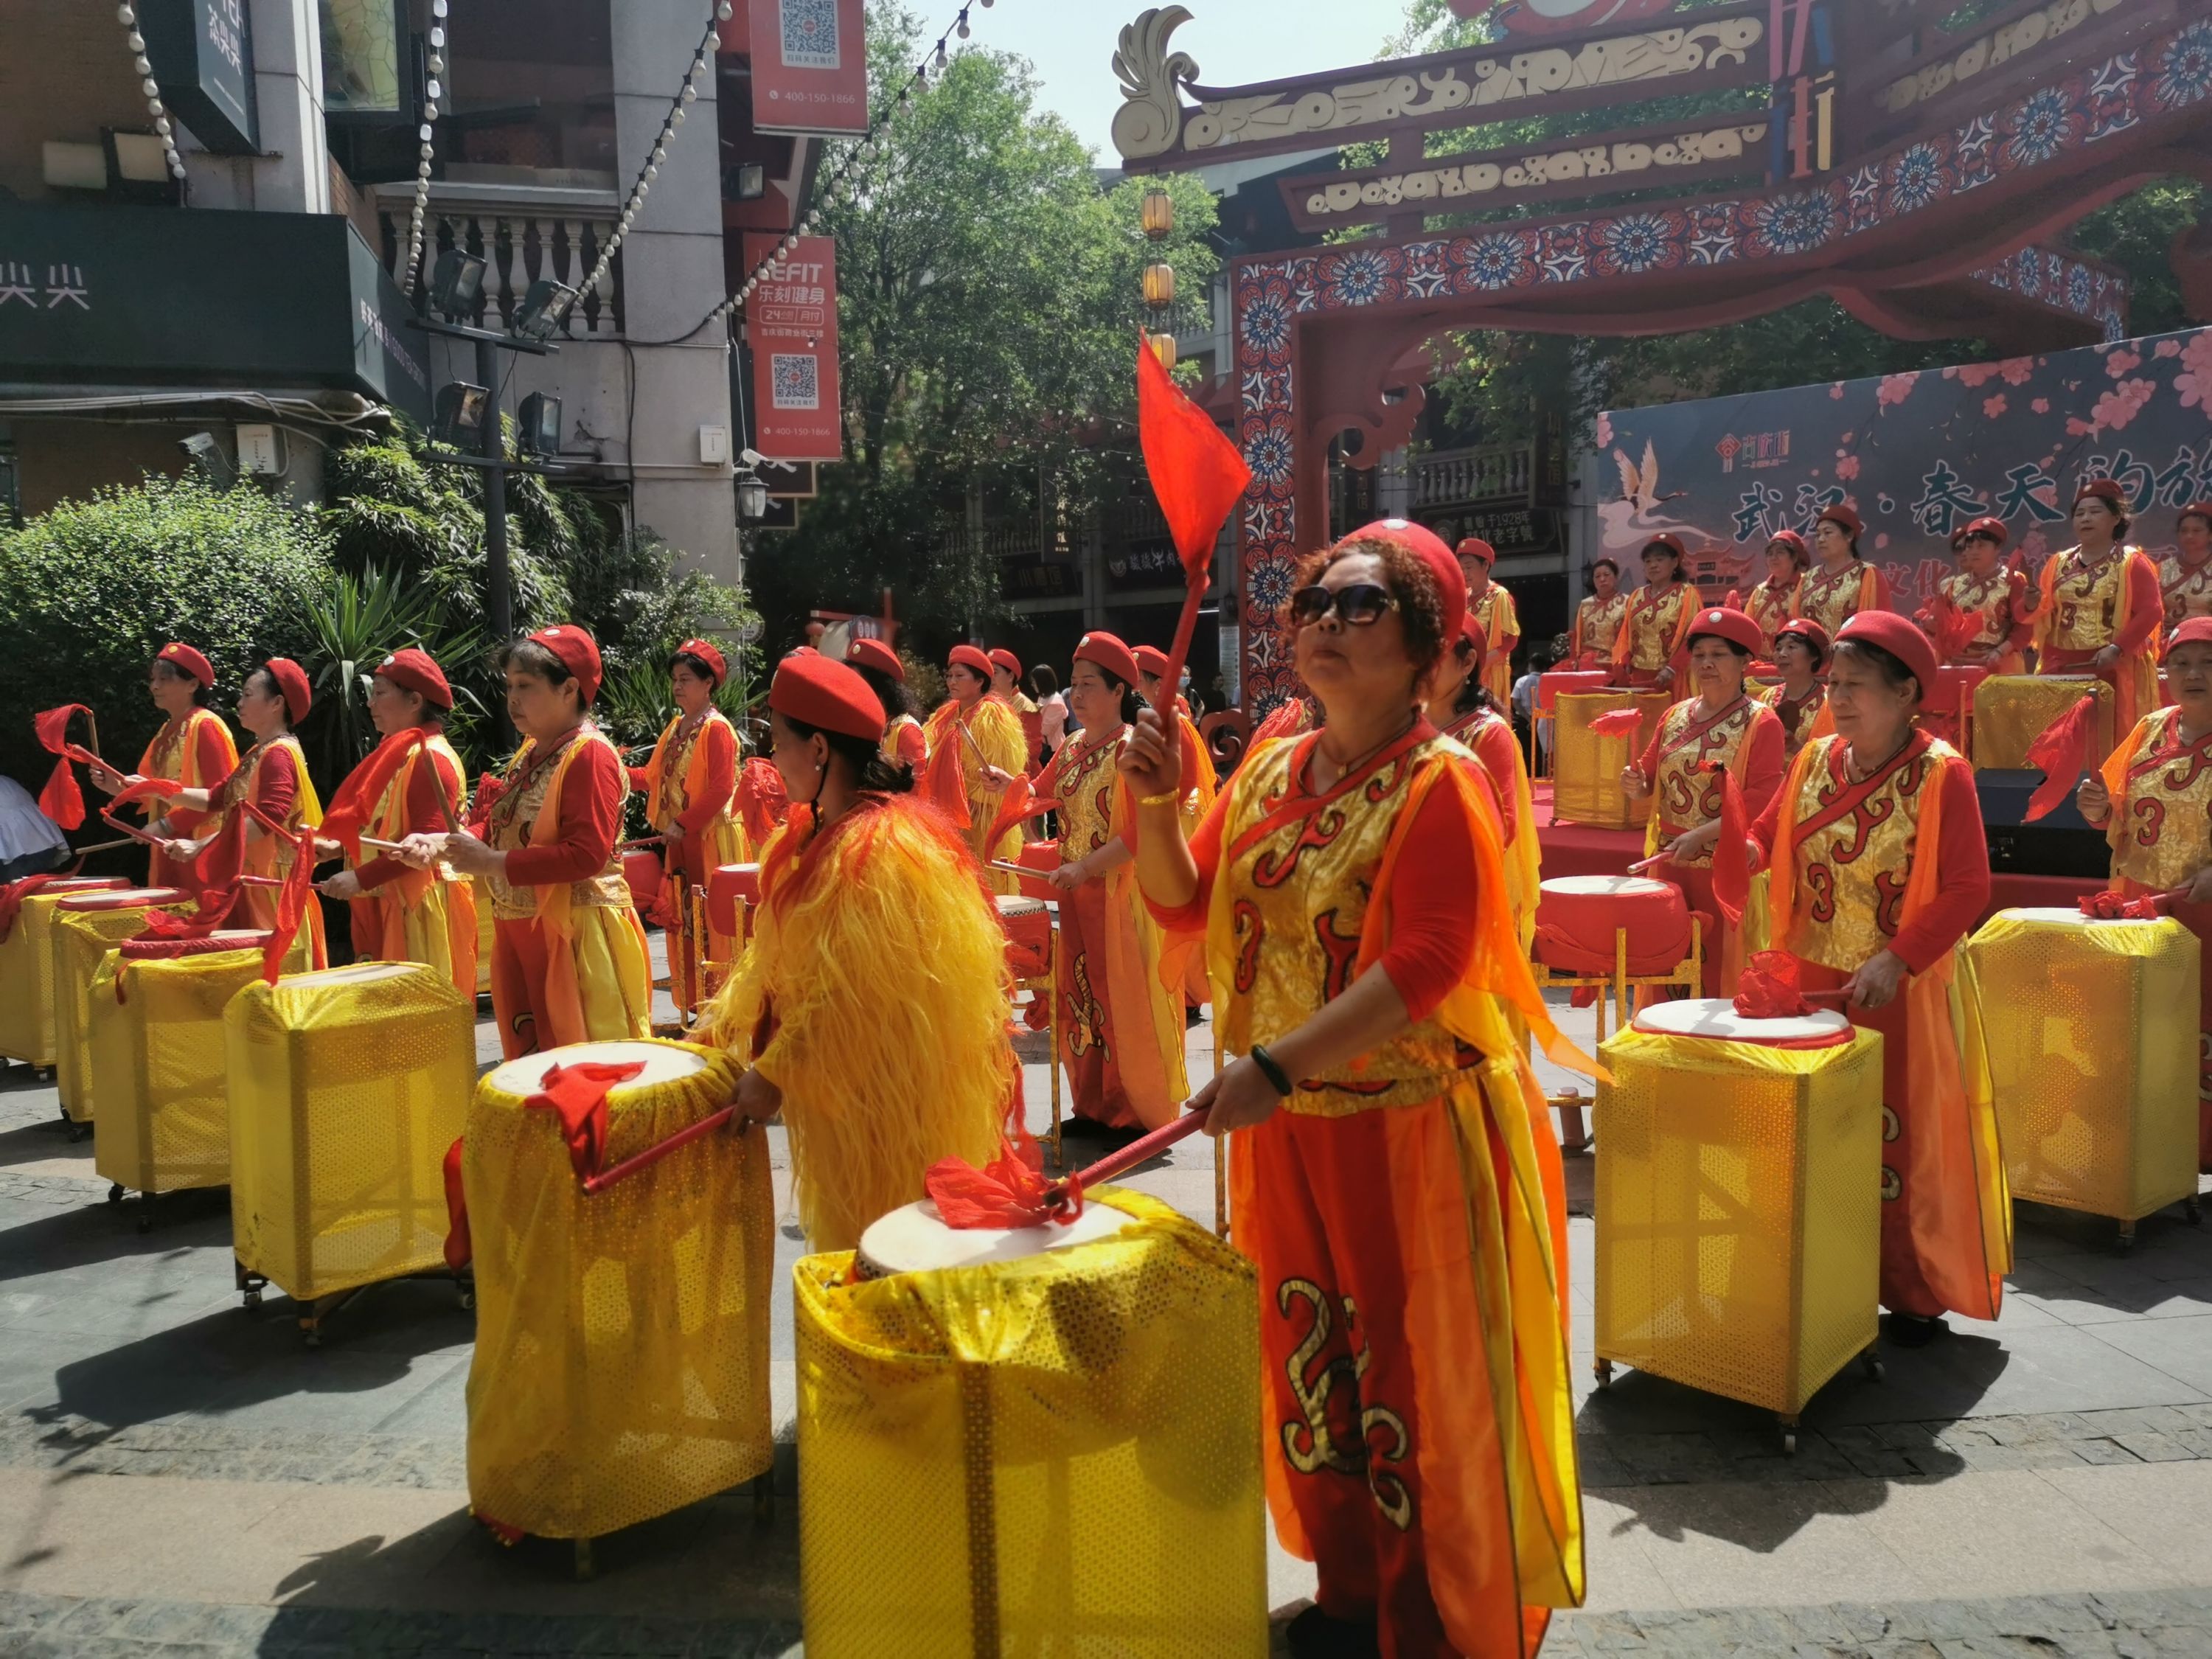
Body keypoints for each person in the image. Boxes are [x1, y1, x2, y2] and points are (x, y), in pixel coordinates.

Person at [1124, 518, 1583, 1659]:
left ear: (1427, 648)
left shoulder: (1442, 781)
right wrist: (1154, 805)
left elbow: (1427, 962)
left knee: (1415, 1381)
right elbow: (1183, 900)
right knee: (1312, 1361)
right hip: (1291, 1128)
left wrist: (1277, 1063)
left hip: (1409, 1131)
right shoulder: (1271, 767)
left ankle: (1428, 1617)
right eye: (1317, 603)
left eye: (1363, 603)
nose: (1328, 621)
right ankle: (1349, 1587)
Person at [1748, 611, 2008, 1346]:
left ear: (1906, 694)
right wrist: (1728, 841)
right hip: (1813, 977)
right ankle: (1820, 1274)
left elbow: (1968, 886)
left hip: (1900, 989)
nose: (1840, 698)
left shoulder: (1941, 773)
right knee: (1817, 1130)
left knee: (1897, 1138)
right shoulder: (1814, 758)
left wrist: (1899, 958)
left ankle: (1908, 1286)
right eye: (1834, 684)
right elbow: (1768, 833)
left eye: (1856, 685)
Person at [704, 653, 1011, 1251]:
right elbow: (773, 959)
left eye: (778, 742)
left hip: (886, 1102)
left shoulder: (881, 851)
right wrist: (722, 1037)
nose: (772, 760)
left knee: (887, 1248)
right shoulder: (811, 830)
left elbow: (851, 993)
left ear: (819, 749)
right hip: (837, 1100)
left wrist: (775, 1072)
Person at [416, 625, 650, 1060]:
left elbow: (587, 855)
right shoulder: (532, 751)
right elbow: (498, 824)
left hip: (578, 933)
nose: (512, 699)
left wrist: (492, 863)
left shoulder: (589, 754)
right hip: (524, 928)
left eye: (526, 685)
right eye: (509, 686)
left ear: (569, 689)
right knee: (534, 1063)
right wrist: (443, 843)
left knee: (584, 1066)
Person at [1029, 632, 1189, 1140]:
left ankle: (1134, 1111)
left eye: (1089, 685)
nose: (1077, 695)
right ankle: (1093, 1105)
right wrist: (1005, 784)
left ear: (1119, 691)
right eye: (1074, 684)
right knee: (1080, 997)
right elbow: (1040, 793)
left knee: (1124, 1002)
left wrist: (1086, 866)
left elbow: (1144, 830)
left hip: (1122, 896)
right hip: (1076, 895)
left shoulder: (1132, 748)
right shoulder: (1072, 746)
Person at [2076, 616, 2212, 1172]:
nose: (2194, 674)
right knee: (2141, 1027)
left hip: (2204, 912)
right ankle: (2140, 1145)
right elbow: (2114, 811)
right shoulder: (2151, 727)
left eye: (2208, 663)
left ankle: (2199, 1149)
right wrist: (2096, 809)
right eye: (2182, 664)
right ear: (2166, 673)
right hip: (2141, 904)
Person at [1620, 608, 1784, 999]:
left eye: (1719, 654)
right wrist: (1637, 784)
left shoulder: (1762, 722)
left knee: (1716, 965)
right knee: (1668, 961)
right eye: (1699, 655)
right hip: (1670, 860)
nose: (1706, 664)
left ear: (1745, 662)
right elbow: (1649, 776)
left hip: (1724, 863)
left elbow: (1760, 799)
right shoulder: (1675, 714)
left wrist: (1702, 835)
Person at [133, 658, 326, 962]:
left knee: (272, 968)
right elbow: (215, 798)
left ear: (276, 704)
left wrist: (202, 845)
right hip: (253, 878)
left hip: (271, 885)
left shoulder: (278, 754)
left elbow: (269, 818)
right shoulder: (261, 751)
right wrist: (157, 789)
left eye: (248, 695)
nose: (239, 703)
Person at [314, 648, 476, 995]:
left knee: (418, 1008)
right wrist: (338, 848)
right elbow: (382, 827)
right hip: (391, 899)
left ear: (415, 700)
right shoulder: (397, 752)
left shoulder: (430, 757)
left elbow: (425, 845)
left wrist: (360, 878)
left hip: (421, 906)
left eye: (380, 693)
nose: (370, 703)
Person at [624, 639, 742, 1016]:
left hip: (710, 839)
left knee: (713, 923)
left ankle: (725, 1006)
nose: (677, 686)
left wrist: (682, 822)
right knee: (687, 920)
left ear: (708, 684)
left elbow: (721, 788)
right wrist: (614, 771)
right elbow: (653, 777)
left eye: (686, 679)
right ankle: (697, 1004)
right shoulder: (676, 727)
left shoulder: (717, 729)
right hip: (682, 839)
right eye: (675, 679)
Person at [91, 643, 237, 897]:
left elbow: (222, 797)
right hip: (171, 845)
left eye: (164, 679)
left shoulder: (207, 725)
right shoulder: (165, 731)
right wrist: (113, 786)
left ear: (192, 685)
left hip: (200, 845)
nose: (154, 687)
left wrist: (167, 825)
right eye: (153, 679)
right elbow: (148, 788)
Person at [1431, 614, 1539, 951]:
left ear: (1467, 663)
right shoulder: (1400, 727)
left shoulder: (1488, 734)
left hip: (1461, 900)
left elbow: (1499, 826)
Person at [2031, 479, 2161, 744]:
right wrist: (2029, 605)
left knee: (2107, 739)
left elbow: (2152, 611)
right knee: (2059, 743)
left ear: (2116, 517)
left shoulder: (2131, 562)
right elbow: (2042, 615)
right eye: (2080, 513)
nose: (2086, 518)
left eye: (2095, 511)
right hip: (2061, 666)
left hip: (2111, 666)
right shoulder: (2057, 563)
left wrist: (2117, 648)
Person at [920, 644, 1026, 891]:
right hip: (945, 819)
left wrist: (965, 800)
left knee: (982, 889)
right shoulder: (945, 715)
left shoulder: (994, 717)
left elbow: (1000, 773)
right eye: (950, 675)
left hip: (981, 822)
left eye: (960, 676)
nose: (952, 682)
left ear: (980, 681)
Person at [1923, 517, 2031, 673]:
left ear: (1997, 548)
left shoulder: (2013, 581)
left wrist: (2000, 652)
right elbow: (1938, 626)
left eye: (1981, 546)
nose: (1974, 552)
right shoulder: (1953, 584)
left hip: (1999, 663)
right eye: (1969, 547)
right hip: (1958, 664)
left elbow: (2024, 627)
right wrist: (1932, 625)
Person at [1791, 505, 1890, 639]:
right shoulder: (1807, 578)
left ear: (1849, 536)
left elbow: (1876, 625)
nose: (1821, 539)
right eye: (1817, 535)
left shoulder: (1866, 574)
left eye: (1828, 533)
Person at [1613, 535, 1697, 690]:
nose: (1653, 565)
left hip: (1672, 675)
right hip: (1638, 675)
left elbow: (1693, 635)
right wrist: (1624, 661)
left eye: (1660, 559)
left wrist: (1672, 668)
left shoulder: (1686, 593)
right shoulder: (1636, 595)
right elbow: (1625, 634)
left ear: (1675, 563)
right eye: (1648, 561)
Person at [847, 638, 928, 773]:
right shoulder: (856, 723)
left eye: (858, 682)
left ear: (881, 687)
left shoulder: (907, 731)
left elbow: (918, 782)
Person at [1756, 618, 1832, 759]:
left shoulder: (1829, 702)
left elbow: (1832, 756)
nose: (1782, 654)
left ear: (1814, 656)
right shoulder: (1766, 697)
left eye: (1791, 647)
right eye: (1778, 648)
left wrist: (1796, 748)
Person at [1458, 535, 1520, 706]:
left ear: (1485, 565)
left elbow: (1509, 641)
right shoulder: (1463, 596)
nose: (1464, 573)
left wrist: (1478, 664)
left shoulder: (1499, 596)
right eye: (1461, 568)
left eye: (1469, 567)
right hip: (1464, 669)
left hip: (1491, 672)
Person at [1733, 532, 1808, 656]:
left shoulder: (1807, 585)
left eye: (1780, 552)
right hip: (1761, 663)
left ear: (1795, 557)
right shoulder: (1760, 591)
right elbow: (1748, 627)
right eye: (1770, 554)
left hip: (1797, 661)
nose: (1774, 558)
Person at [989, 647, 1046, 774]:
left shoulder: (1026, 708)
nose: (990, 678)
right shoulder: (987, 705)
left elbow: (1032, 752)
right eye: (988, 673)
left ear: (1010, 676)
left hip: (1022, 776)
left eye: (995, 672)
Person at [2159, 501, 2212, 627]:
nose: (2189, 536)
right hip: (2169, 637)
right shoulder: (2162, 568)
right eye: (2184, 531)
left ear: (2211, 535)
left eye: (2197, 531)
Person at [1570, 557, 1627, 669]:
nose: (1602, 579)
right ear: (1593, 581)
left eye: (1606, 575)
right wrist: (1574, 660)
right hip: (1586, 663)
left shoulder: (1627, 602)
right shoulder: (1585, 605)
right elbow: (1576, 637)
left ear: (1616, 577)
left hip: (1616, 664)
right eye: (1597, 576)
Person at [1029, 663, 1068, 762]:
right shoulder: (1043, 696)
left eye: (1034, 682)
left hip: (1052, 749)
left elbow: (1044, 730)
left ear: (1042, 682)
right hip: (1043, 746)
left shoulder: (1055, 703)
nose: (1032, 685)